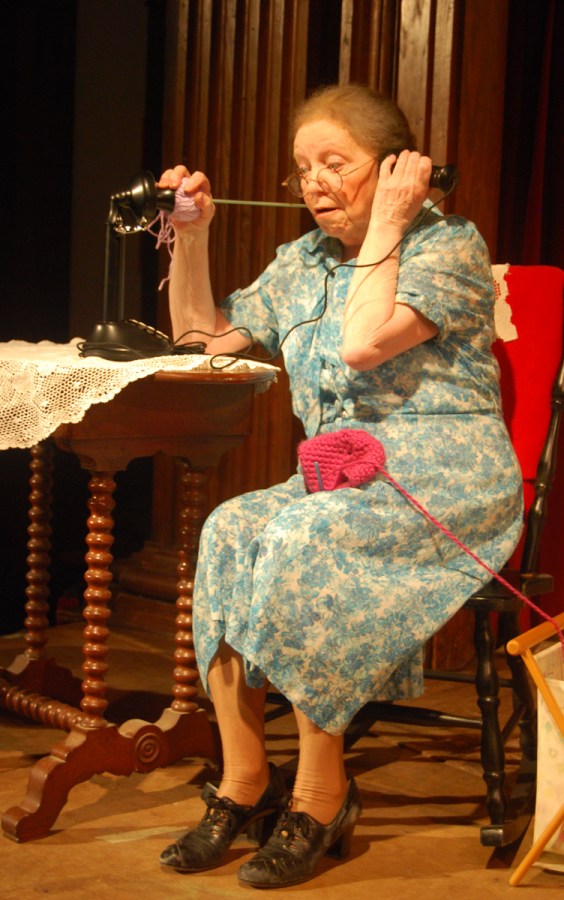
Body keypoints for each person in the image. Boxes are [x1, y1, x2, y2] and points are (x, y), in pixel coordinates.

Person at [156, 83, 523, 889]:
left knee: (302, 537)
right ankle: (245, 780)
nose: (315, 184)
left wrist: (387, 222)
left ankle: (323, 798)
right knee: (229, 528)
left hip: (445, 479)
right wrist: (191, 237)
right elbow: (200, 339)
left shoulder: (447, 245)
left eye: (335, 164)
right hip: (342, 474)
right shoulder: (303, 262)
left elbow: (361, 345)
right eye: (303, 169)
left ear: (393, 168)